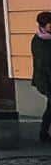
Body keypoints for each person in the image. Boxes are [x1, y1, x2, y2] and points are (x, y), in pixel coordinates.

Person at [33, 11, 51, 143]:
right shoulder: (38, 41)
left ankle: (43, 133)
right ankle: (43, 133)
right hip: (45, 80)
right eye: (50, 24)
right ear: (43, 25)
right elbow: (43, 63)